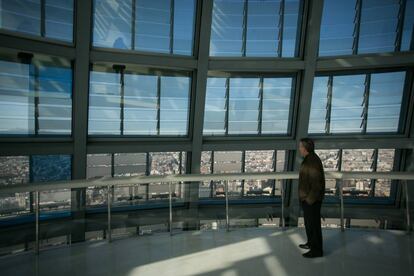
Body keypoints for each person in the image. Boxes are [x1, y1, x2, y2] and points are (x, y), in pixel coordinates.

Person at [298, 138, 325, 258]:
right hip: (308, 199)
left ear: (305, 148)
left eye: (300, 146)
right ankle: (311, 244)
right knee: (310, 224)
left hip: (312, 200)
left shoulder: (312, 161)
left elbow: (316, 184)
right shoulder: (310, 159)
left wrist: (309, 200)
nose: (299, 149)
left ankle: (317, 250)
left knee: (313, 225)